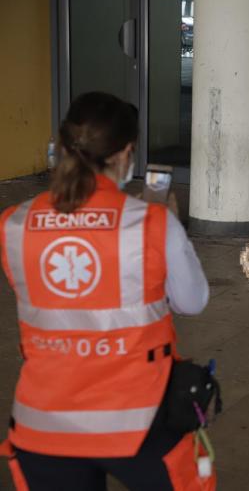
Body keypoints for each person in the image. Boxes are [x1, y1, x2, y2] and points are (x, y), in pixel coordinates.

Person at [0, 92, 215, 490]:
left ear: (63, 148)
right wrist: (169, 229)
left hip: (43, 420)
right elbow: (192, 301)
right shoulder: (150, 223)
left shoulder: (14, 223)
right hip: (140, 418)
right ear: (125, 153)